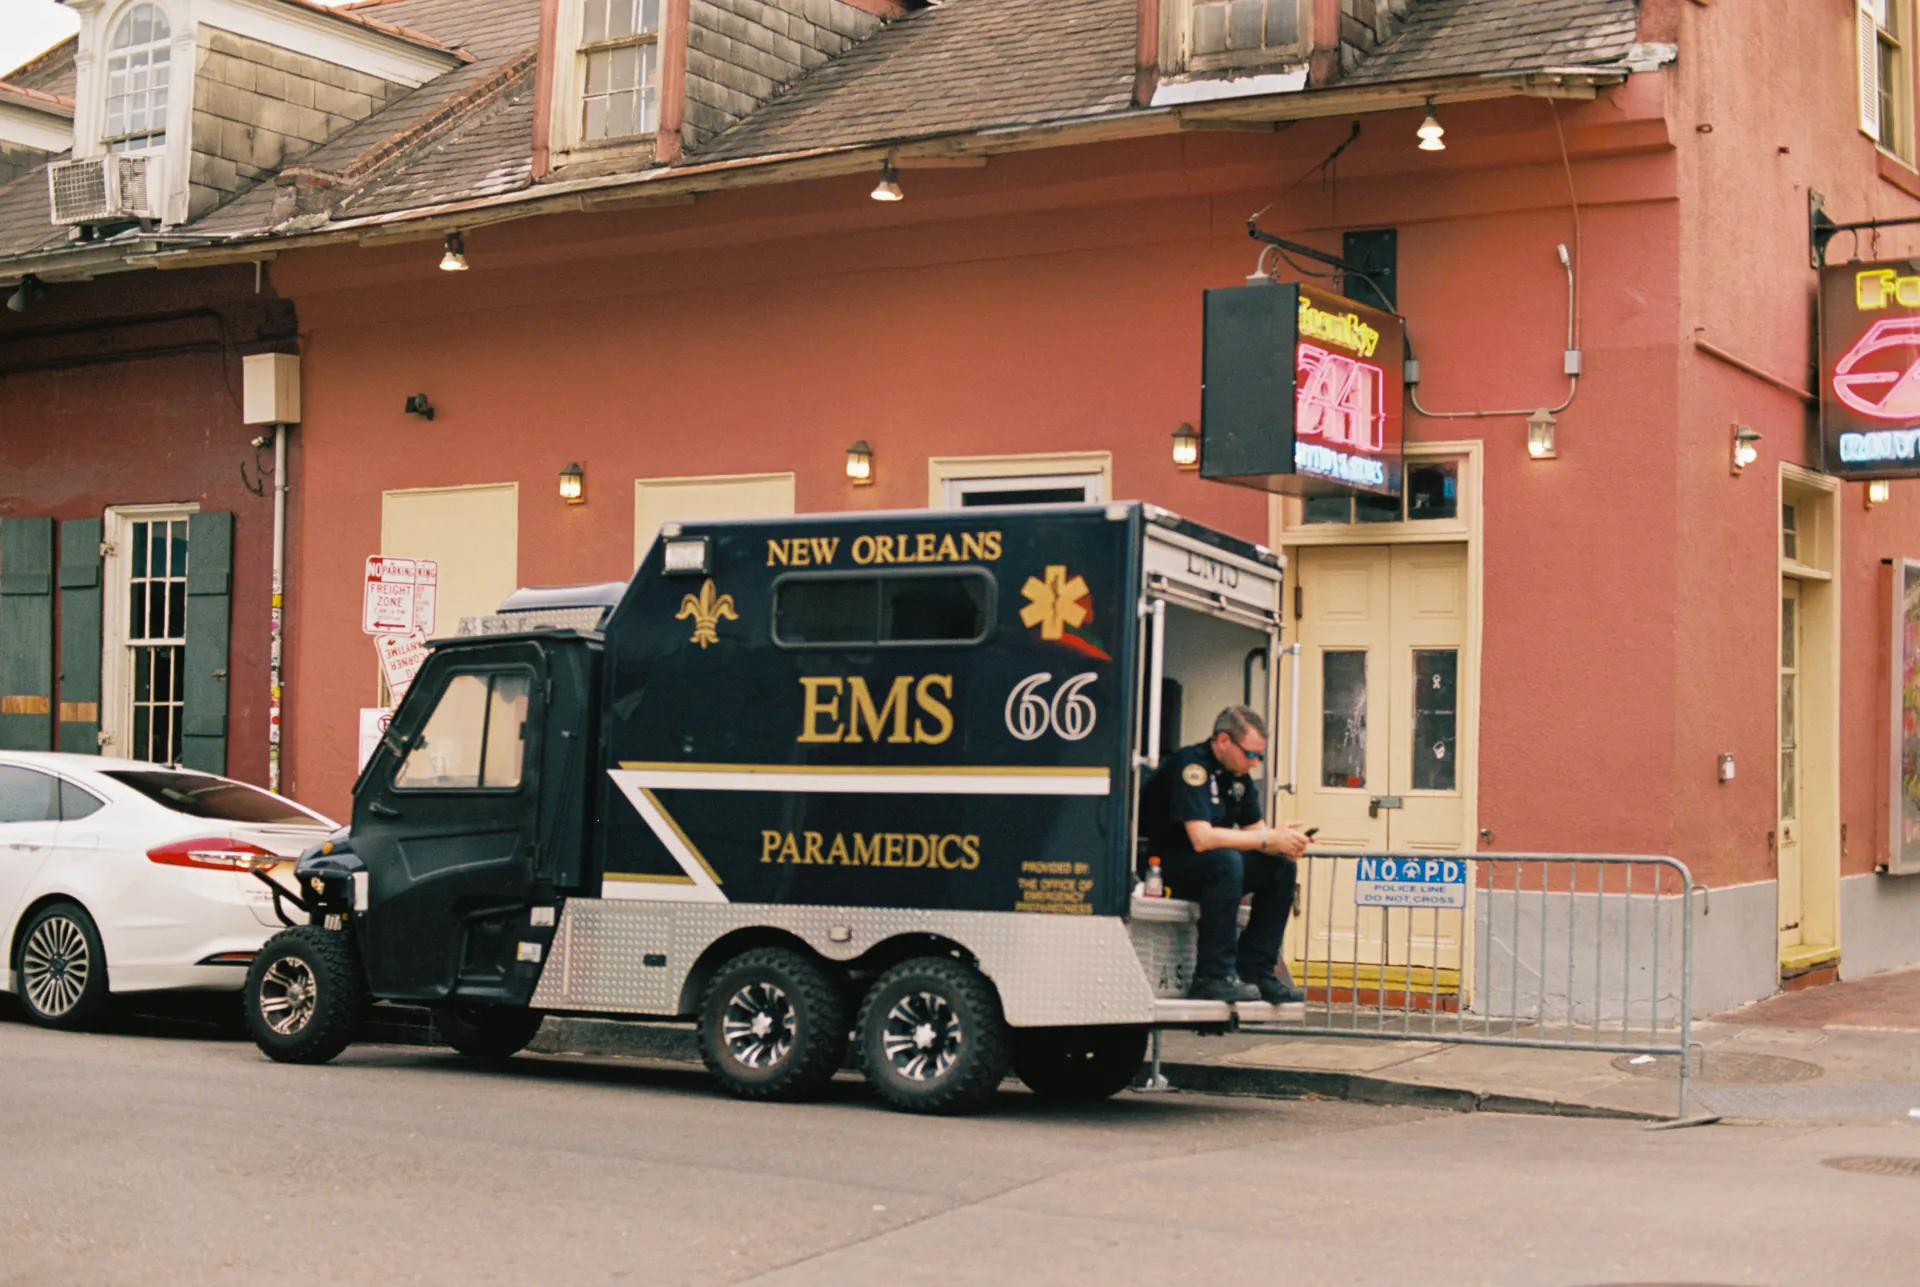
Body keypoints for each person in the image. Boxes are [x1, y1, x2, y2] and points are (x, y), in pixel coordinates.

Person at [1138, 705, 1311, 1004]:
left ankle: (1256, 969)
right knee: (1226, 860)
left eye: (1259, 757)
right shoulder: (1192, 767)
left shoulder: (1238, 777)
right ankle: (1213, 976)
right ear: (1223, 741)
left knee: (1279, 867)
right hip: (1165, 865)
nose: (1255, 763)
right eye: (1250, 754)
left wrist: (1285, 843)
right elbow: (1202, 839)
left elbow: (1257, 832)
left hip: (1209, 867)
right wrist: (1267, 838)